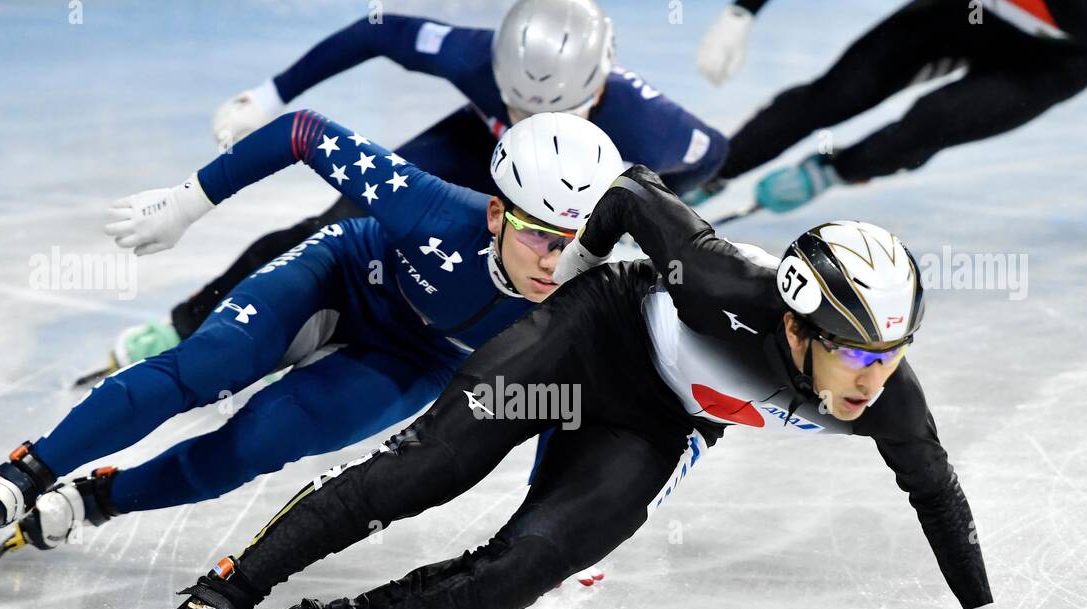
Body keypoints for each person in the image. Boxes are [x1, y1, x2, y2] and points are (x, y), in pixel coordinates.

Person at [128, 166, 1078, 609]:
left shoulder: (890, 401)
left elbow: (937, 495)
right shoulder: (723, 281)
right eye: (857, 355)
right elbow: (627, 196)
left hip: (652, 422)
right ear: (795, 328)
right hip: (587, 337)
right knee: (426, 470)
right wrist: (569, 275)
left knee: (510, 579)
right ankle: (226, 591)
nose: (873, 381)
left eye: (891, 355)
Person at [0, 110, 624, 567]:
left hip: (412, 359)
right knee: (206, 367)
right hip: (346, 276)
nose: (554, 262)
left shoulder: (582, 297)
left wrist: (547, 530)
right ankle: (25, 471)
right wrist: (188, 200)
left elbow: (561, 420)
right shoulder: (432, 208)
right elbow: (302, 132)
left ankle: (96, 499)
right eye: (541, 235)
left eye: (577, 244)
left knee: (254, 446)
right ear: (498, 213)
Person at [96, 0, 727, 375]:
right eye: (517, 105)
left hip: (567, 185)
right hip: (473, 150)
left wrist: (638, 212)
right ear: (499, 75)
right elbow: (376, 31)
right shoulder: (474, 55)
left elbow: (710, 159)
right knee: (327, 226)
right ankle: (189, 323)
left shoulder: (656, 128)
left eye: (556, 109)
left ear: (600, 84)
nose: (530, 122)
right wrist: (269, 95)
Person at [693, 0, 1087, 271]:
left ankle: (836, 169)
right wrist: (742, 12)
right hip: (964, 15)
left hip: (1048, 62)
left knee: (930, 122)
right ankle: (706, 173)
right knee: (836, 93)